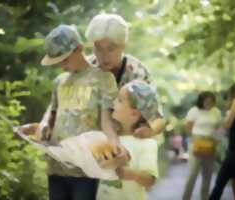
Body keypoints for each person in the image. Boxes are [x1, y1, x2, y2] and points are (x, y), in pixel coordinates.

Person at [38, 24, 119, 200]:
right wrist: (43, 126)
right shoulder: (59, 81)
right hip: (56, 165)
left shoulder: (103, 78)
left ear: (79, 48)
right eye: (58, 62)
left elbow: (107, 122)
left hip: (85, 167)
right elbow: (51, 114)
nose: (62, 66)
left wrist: (114, 144)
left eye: (65, 60)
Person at [85, 13, 165, 139]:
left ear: (123, 46)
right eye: (99, 49)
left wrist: (148, 131)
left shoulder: (138, 73)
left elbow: (158, 122)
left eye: (111, 49)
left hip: (127, 144)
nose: (104, 55)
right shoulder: (83, 70)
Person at [97, 80, 159, 200]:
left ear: (134, 114)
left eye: (119, 100)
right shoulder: (109, 138)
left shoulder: (147, 144)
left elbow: (150, 181)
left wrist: (130, 174)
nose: (114, 103)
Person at [182, 91, 222, 200]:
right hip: (196, 142)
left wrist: (217, 140)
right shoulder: (194, 111)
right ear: (201, 101)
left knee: (208, 175)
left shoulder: (216, 112)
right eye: (207, 101)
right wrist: (192, 139)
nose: (209, 103)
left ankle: (205, 197)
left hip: (210, 143)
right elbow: (187, 126)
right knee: (193, 174)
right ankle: (186, 197)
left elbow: (219, 128)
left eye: (211, 101)